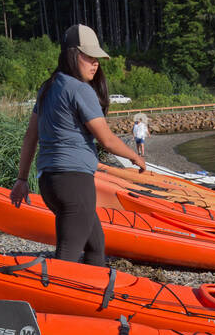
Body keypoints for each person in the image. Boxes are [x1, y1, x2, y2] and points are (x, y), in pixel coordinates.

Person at [10, 25, 145, 266]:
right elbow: (107, 139)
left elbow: (31, 136)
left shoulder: (47, 88)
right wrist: (136, 158)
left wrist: (22, 180)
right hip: (74, 182)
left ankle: (93, 294)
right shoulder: (79, 89)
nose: (95, 64)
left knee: (95, 245)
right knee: (67, 255)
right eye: (89, 57)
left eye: (97, 59)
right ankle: (51, 301)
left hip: (49, 182)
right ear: (73, 55)